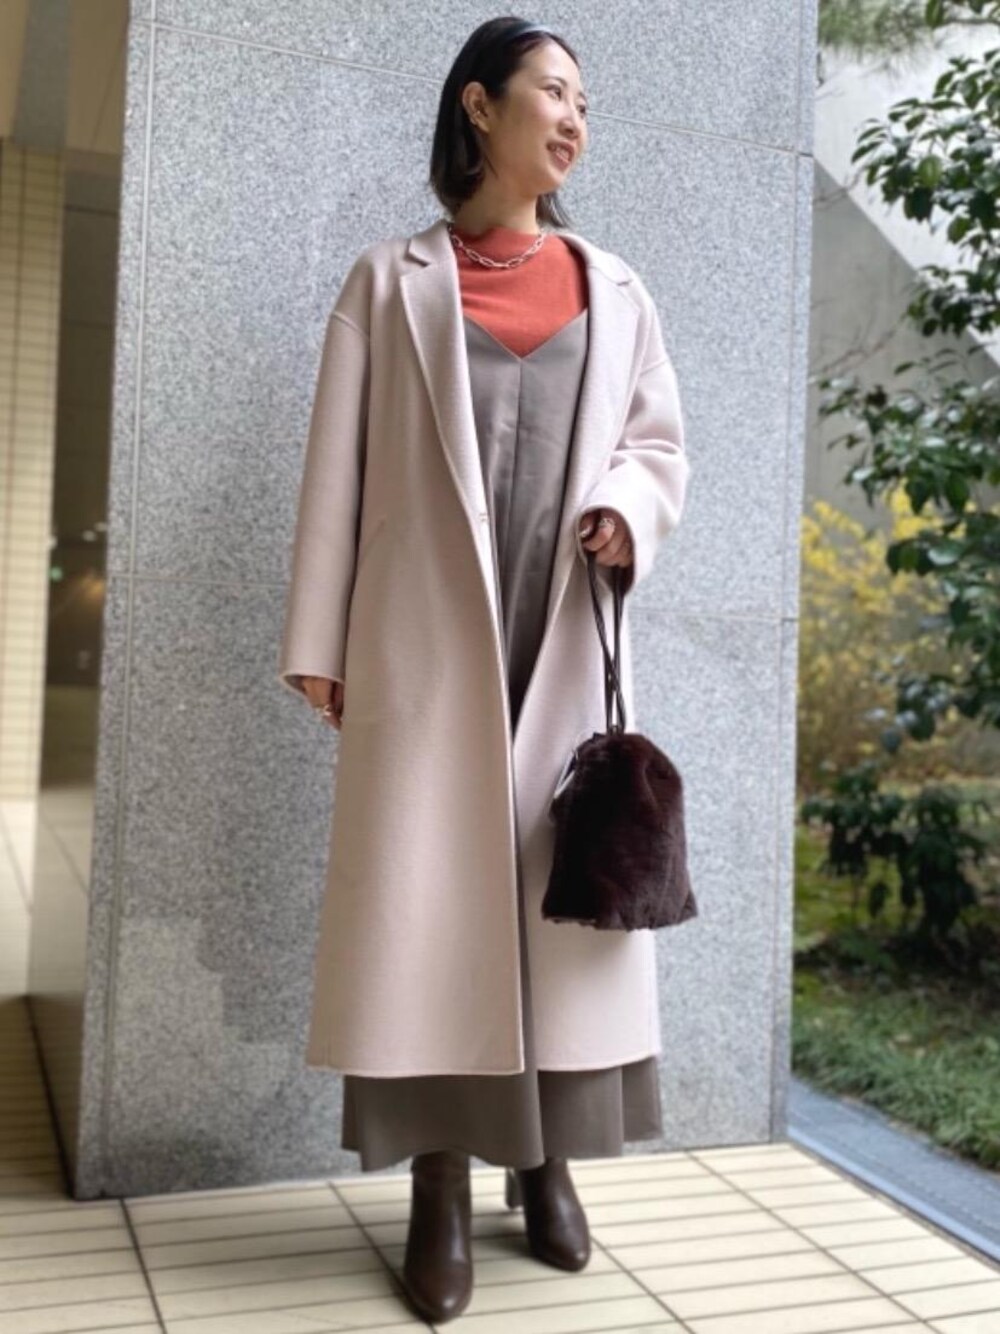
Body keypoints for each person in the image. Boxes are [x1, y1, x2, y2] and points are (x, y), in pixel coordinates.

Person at [277, 15, 691, 1324]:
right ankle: (441, 1187)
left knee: (548, 902)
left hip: (556, 638)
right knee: (431, 908)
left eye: (585, 103)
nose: (574, 119)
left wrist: (628, 508)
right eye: (553, 92)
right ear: (479, 106)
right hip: (426, 645)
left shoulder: (613, 287)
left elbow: (658, 446)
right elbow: (336, 467)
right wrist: (319, 640)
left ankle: (547, 1163)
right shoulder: (387, 281)